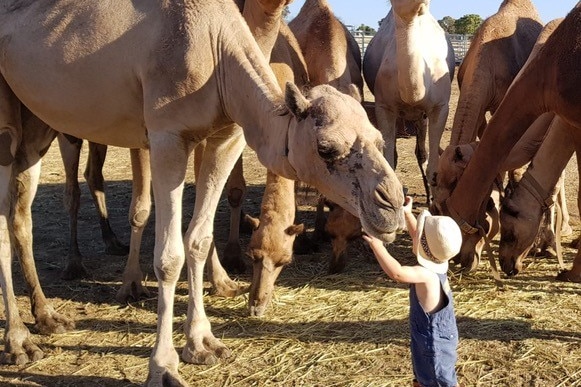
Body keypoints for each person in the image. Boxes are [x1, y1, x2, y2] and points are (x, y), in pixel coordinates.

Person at [363, 196, 463, 387]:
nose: (415, 234)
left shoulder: (426, 275)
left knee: (435, 379)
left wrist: (378, 247)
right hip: (438, 336)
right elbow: (418, 236)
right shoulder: (440, 259)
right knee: (433, 376)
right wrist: (407, 213)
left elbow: (397, 273)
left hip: (433, 344)